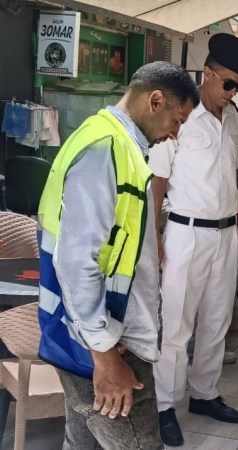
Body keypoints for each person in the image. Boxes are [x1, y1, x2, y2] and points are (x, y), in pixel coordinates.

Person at [37, 61, 199, 449]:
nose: (175, 134)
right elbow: (76, 261)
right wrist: (106, 356)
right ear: (155, 101)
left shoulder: (108, 141)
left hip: (84, 337)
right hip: (107, 344)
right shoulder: (106, 150)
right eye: (176, 121)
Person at [148, 33, 238, 447]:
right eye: (229, 83)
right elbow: (157, 180)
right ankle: (164, 405)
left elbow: (230, 178)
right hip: (186, 232)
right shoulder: (178, 116)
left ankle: (205, 393)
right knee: (177, 324)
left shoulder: (231, 119)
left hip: (225, 234)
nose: (233, 92)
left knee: (217, 320)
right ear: (208, 74)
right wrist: (155, 235)